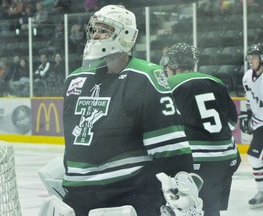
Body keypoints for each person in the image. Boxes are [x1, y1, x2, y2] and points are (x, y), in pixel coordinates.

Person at [61, 5, 196, 216]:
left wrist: (181, 184)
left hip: (128, 191)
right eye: (94, 29)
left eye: (104, 30)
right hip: (77, 193)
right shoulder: (75, 79)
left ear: (125, 35)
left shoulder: (145, 76)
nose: (96, 35)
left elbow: (170, 146)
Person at [160, 42, 241, 216]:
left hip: (194, 160)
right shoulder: (216, 81)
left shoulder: (168, 83)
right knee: (210, 209)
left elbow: (162, 126)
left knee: (185, 209)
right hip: (227, 159)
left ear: (173, 63)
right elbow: (232, 122)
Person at [241, 42, 263, 208]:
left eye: (254, 57)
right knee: (254, 157)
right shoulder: (247, 77)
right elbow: (249, 99)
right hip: (259, 124)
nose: (251, 60)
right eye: (249, 58)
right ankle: (261, 191)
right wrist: (245, 114)